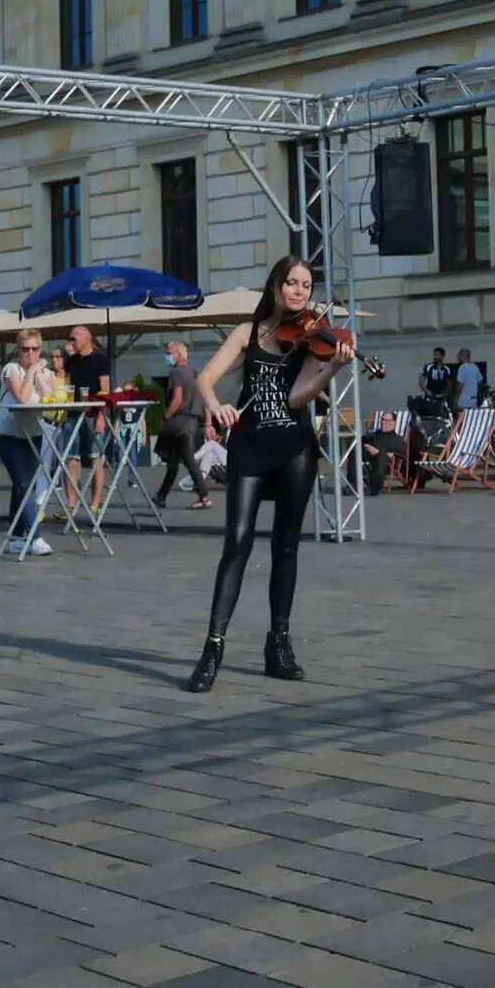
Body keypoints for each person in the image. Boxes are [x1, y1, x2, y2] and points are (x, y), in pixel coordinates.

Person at [184, 257, 355, 693]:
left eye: (306, 285)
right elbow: (205, 378)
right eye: (291, 282)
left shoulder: (313, 338)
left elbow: (297, 399)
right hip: (250, 447)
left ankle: (278, 645)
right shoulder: (248, 332)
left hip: (294, 449)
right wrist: (216, 403)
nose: (299, 291)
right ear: (277, 285)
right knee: (236, 546)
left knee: (286, 548)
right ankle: (212, 648)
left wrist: (333, 367)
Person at [0, 331, 57, 557]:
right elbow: (22, 396)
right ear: (18, 350)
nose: (30, 353)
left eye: (35, 349)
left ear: (41, 349)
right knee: (23, 483)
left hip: (34, 433)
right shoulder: (12, 370)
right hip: (9, 434)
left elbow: (53, 398)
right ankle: (35, 535)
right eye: (25, 349)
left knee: (24, 484)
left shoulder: (47, 373)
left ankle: (16, 536)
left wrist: (40, 375)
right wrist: (30, 371)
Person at [154, 340, 213, 510]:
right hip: (192, 421)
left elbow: (177, 399)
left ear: (177, 354)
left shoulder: (176, 373)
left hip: (179, 422)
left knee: (188, 460)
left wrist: (165, 417)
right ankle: (161, 495)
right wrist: (207, 421)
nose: (166, 356)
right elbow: (202, 397)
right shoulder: (194, 372)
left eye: (168, 353)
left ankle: (204, 495)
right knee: (174, 461)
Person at [60, 326, 112, 510]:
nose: (71, 342)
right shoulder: (71, 361)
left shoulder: (100, 360)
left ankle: (95, 502)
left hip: (93, 413)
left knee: (96, 458)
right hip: (73, 414)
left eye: (73, 338)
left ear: (86, 339)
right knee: (71, 459)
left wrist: (101, 415)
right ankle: (71, 503)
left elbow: (105, 389)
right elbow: (66, 385)